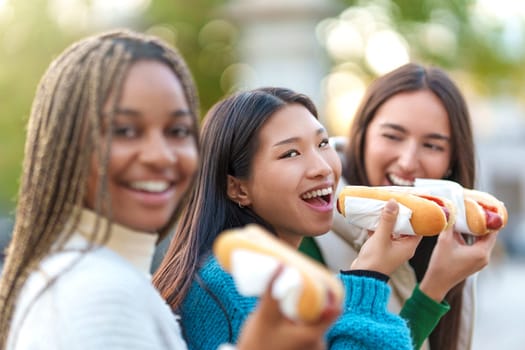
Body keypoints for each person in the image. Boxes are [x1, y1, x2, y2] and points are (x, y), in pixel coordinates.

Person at [0, 30, 339, 350]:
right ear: (68, 145)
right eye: (126, 130)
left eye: (177, 130)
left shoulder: (102, 275)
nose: (160, 155)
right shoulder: (101, 292)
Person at [153, 87, 426, 350]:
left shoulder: (279, 272)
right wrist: (369, 274)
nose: (322, 168)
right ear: (238, 188)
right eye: (290, 153)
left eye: (323, 143)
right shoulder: (233, 283)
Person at [299, 62, 500, 350]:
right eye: (392, 136)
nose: (407, 161)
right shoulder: (307, 231)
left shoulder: (455, 240)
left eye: (432, 145)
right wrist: (432, 291)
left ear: (452, 162)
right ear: (363, 136)